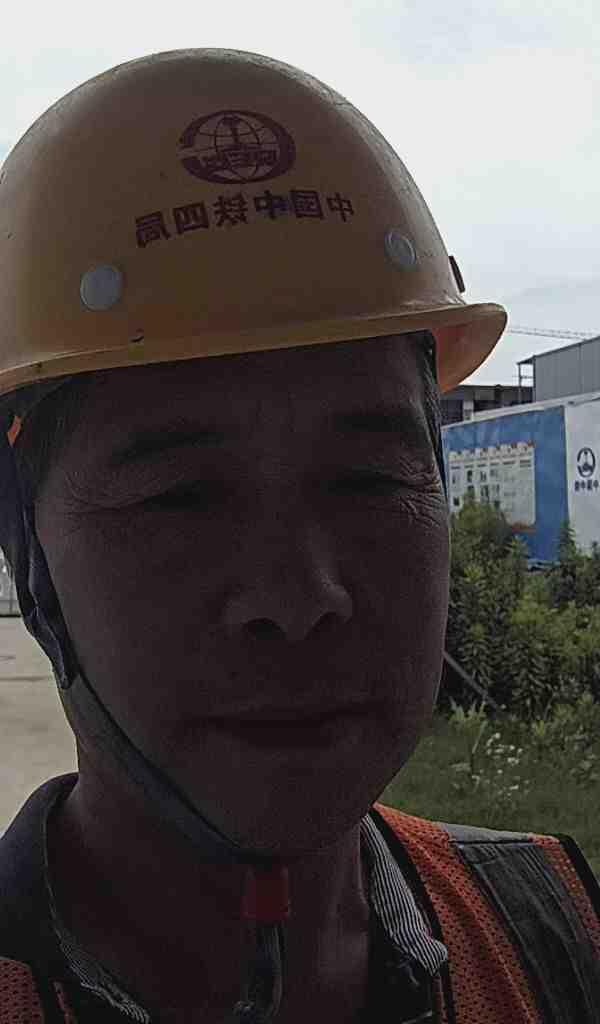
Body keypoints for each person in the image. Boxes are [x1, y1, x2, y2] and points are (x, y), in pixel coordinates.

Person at [0, 49, 598, 1024]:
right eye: (181, 496)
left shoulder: (552, 929)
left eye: (369, 479)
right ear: (26, 549)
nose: (298, 595)